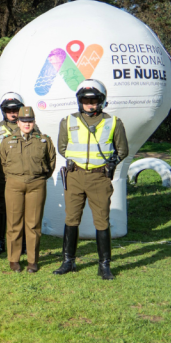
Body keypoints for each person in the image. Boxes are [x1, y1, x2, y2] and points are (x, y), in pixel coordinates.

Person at [54, 79, 128, 280]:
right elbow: (62, 147)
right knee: (71, 219)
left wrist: (112, 162)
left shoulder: (113, 122)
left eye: (94, 100)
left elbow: (122, 149)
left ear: (101, 101)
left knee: (102, 221)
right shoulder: (68, 121)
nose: (90, 104)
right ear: (79, 101)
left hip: (99, 178)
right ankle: (68, 261)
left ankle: (104, 265)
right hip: (75, 175)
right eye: (86, 100)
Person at [0, 106, 56, 273]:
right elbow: (2, 163)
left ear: (34, 122)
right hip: (14, 184)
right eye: (24, 121)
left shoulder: (43, 140)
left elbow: (50, 162)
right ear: (18, 122)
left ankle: (32, 260)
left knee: (33, 224)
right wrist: (11, 178)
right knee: (14, 223)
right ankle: (14, 259)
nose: (27, 124)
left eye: (30, 121)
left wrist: (40, 177)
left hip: (36, 184)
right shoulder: (7, 141)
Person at [0, 92, 42, 256]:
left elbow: (40, 148)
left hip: (26, 175)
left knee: (26, 208)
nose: (12, 113)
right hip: (4, 176)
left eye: (15, 109)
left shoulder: (31, 126)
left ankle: (25, 242)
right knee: (3, 208)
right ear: (3, 111)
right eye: (8, 110)